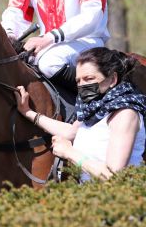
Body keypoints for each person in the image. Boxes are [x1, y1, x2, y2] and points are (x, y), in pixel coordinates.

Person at [14, 47, 146, 181]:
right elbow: (71, 132)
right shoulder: (95, 108)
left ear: (112, 79)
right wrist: (28, 112)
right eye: (78, 81)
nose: (82, 86)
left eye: (89, 78)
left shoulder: (124, 114)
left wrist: (69, 153)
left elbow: (112, 177)